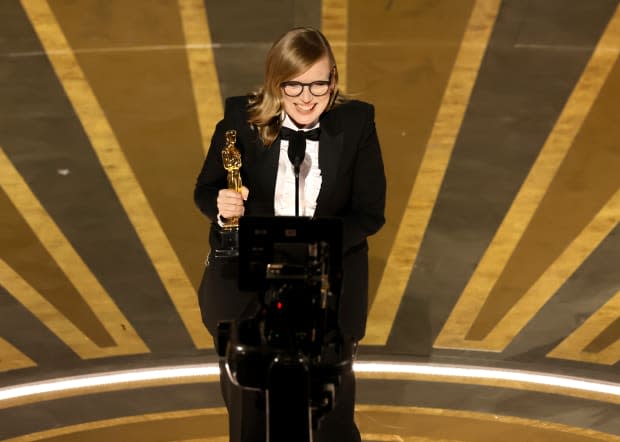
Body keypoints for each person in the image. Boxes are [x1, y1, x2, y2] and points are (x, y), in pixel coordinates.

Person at [194, 26, 386, 442]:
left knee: (332, 406)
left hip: (326, 277)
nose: (306, 97)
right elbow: (205, 189)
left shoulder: (357, 123)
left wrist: (311, 243)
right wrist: (221, 206)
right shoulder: (240, 119)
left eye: (318, 83)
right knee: (247, 402)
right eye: (294, 85)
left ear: (333, 80)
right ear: (275, 83)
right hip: (248, 276)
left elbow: (370, 214)